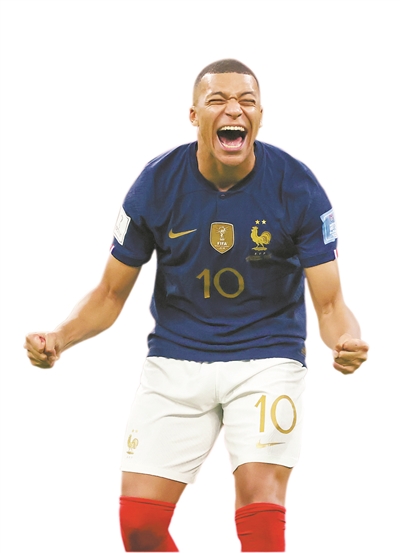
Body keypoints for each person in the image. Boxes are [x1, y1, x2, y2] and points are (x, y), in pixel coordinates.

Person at [24, 59, 369, 552]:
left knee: (261, 516)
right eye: (218, 100)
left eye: (247, 101)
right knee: (140, 527)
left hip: (267, 359)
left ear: (260, 115)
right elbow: (109, 293)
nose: (235, 110)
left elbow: (331, 304)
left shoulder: (297, 187)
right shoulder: (156, 184)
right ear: (193, 115)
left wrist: (345, 341)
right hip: (176, 358)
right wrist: (60, 337)